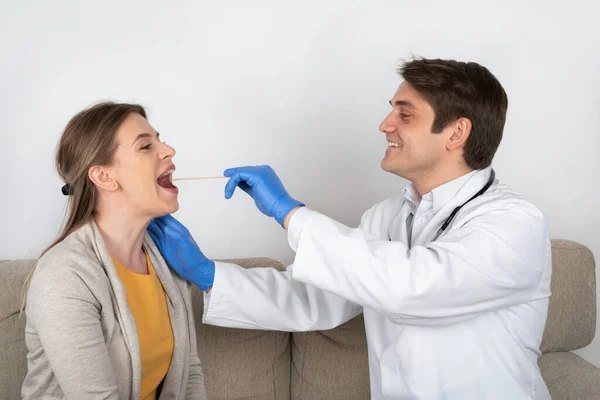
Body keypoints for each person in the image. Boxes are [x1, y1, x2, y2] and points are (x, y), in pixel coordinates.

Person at [149, 57, 552, 399]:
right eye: (391, 109)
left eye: (404, 113)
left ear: (456, 133)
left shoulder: (514, 223)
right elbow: (315, 299)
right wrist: (209, 274)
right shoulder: (385, 218)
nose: (385, 124)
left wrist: (290, 213)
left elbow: (414, 287)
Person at [21, 102, 207, 400]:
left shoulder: (166, 260)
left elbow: (190, 373)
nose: (168, 149)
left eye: (160, 139)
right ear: (104, 177)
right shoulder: (64, 276)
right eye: (146, 146)